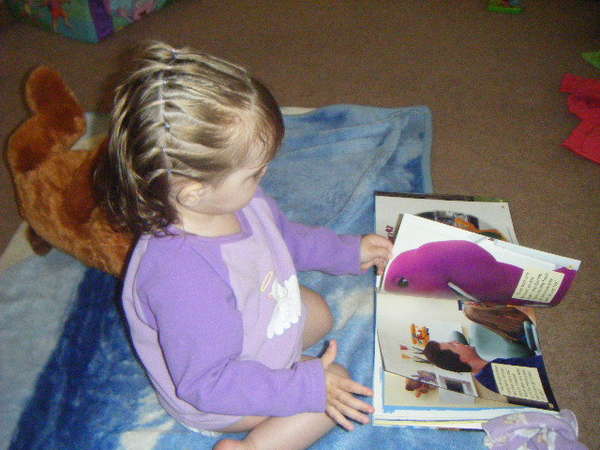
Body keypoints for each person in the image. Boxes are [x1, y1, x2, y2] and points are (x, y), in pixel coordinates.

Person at [94, 41, 393, 450]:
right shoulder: (181, 279)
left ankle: (280, 371)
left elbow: (283, 238)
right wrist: (306, 385)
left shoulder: (243, 202)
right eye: (254, 173)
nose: (265, 177)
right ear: (194, 193)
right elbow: (208, 384)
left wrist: (349, 251)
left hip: (240, 330)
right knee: (334, 388)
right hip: (217, 396)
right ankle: (250, 446)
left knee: (318, 314)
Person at [423, 340, 555, 408]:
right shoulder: (495, 372)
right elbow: (550, 365)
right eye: (453, 345)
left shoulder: (484, 376)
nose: (457, 342)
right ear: (460, 358)